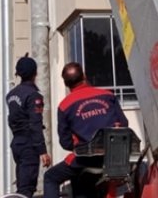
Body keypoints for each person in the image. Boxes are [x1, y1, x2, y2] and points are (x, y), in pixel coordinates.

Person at [42, 62, 128, 198]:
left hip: (85, 160)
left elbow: (65, 142)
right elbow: (123, 124)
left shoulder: (65, 106)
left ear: (66, 84)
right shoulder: (108, 95)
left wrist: (79, 146)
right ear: (84, 76)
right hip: (115, 157)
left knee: (50, 177)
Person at [7, 56, 50, 197]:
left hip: (16, 142)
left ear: (18, 74)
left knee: (22, 182)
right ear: (35, 73)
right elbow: (35, 124)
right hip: (28, 143)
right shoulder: (33, 96)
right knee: (27, 188)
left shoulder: (11, 95)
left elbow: (11, 119)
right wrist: (42, 151)